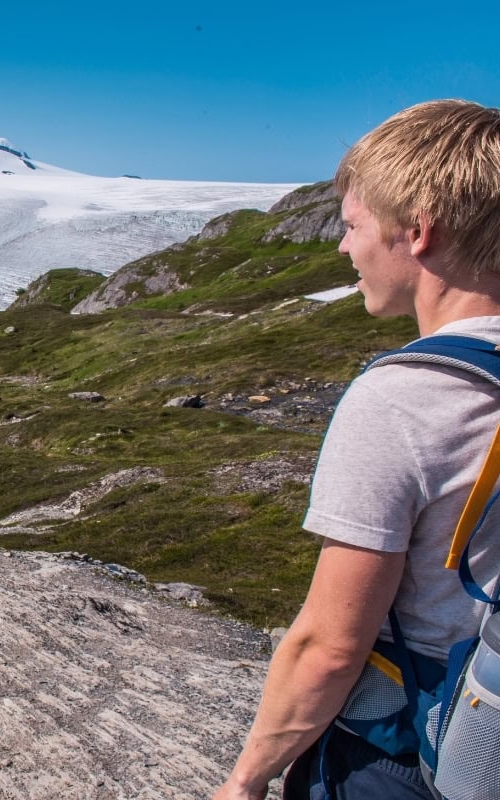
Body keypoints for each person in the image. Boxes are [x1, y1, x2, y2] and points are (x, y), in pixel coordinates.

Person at [213, 99, 500, 800]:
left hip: (415, 752)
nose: (344, 248)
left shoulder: (405, 398)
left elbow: (331, 644)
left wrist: (246, 781)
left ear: (417, 231)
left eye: (352, 226)